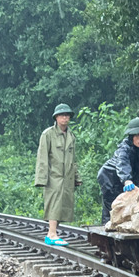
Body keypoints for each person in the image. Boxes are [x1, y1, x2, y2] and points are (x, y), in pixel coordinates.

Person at [34, 103, 81, 246]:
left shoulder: (71, 136)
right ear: (56, 117)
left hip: (67, 176)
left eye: (67, 115)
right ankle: (52, 234)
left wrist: (77, 177)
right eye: (62, 115)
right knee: (54, 204)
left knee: (64, 206)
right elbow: (42, 157)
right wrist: (42, 178)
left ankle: (53, 233)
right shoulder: (47, 134)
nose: (65, 118)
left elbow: (73, 159)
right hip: (53, 176)